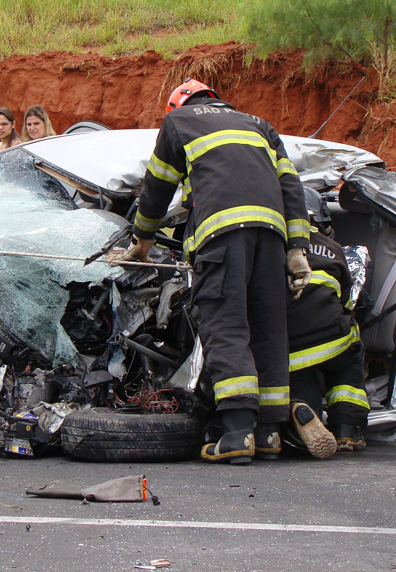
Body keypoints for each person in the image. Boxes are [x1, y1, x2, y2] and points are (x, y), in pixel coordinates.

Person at [108, 78, 312, 464]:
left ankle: (236, 435)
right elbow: (291, 186)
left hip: (220, 235)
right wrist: (297, 249)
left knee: (227, 324)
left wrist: (143, 241)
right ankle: (267, 433)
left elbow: (157, 186)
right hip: (271, 236)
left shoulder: (179, 122)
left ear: (176, 106)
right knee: (268, 327)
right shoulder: (258, 124)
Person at [286, 188, 369, 458]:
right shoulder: (334, 248)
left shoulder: (275, 244)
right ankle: (348, 430)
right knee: (346, 368)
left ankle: (300, 410)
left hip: (291, 347)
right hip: (334, 339)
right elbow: (346, 302)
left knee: (300, 383)